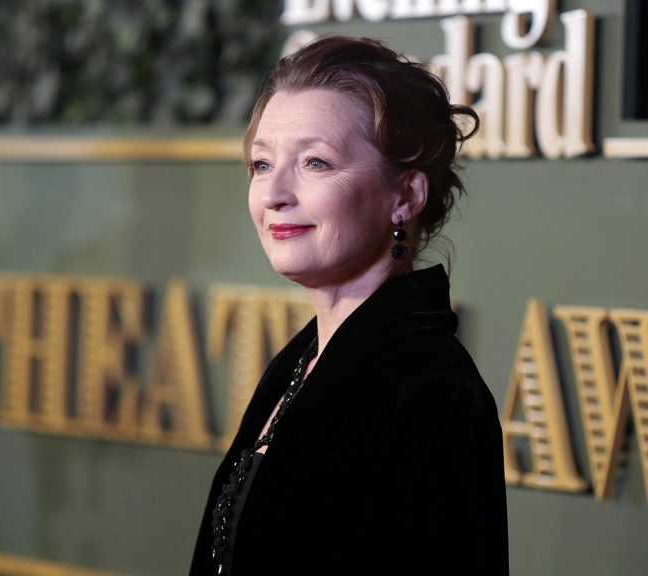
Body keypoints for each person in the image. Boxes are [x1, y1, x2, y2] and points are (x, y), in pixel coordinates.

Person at [189, 36, 508, 575]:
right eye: (261, 165)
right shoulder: (302, 362)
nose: (273, 194)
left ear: (405, 196)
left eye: (315, 162)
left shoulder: (429, 390)